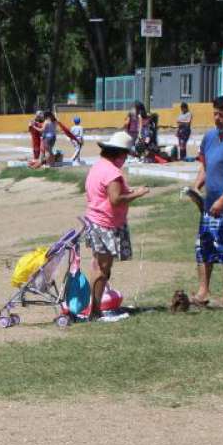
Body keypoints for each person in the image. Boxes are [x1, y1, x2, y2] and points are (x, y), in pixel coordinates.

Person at [82, 131, 150, 317]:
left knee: (98, 266)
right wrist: (138, 193)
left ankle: (93, 307)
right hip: (106, 224)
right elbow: (116, 200)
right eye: (126, 155)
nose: (126, 159)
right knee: (103, 269)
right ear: (120, 153)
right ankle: (95, 311)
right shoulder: (112, 173)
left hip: (95, 220)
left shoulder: (98, 167)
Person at [190, 96, 223, 307]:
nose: (217, 118)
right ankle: (203, 291)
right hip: (209, 206)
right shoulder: (209, 137)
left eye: (222, 114)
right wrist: (196, 185)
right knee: (204, 248)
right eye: (215, 113)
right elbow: (205, 166)